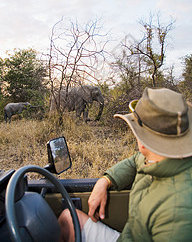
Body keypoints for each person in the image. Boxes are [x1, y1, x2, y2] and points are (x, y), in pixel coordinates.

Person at [58, 87, 192, 242]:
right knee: (67, 218)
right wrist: (105, 181)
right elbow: (134, 161)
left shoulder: (178, 215)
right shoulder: (158, 155)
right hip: (129, 234)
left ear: (142, 143)